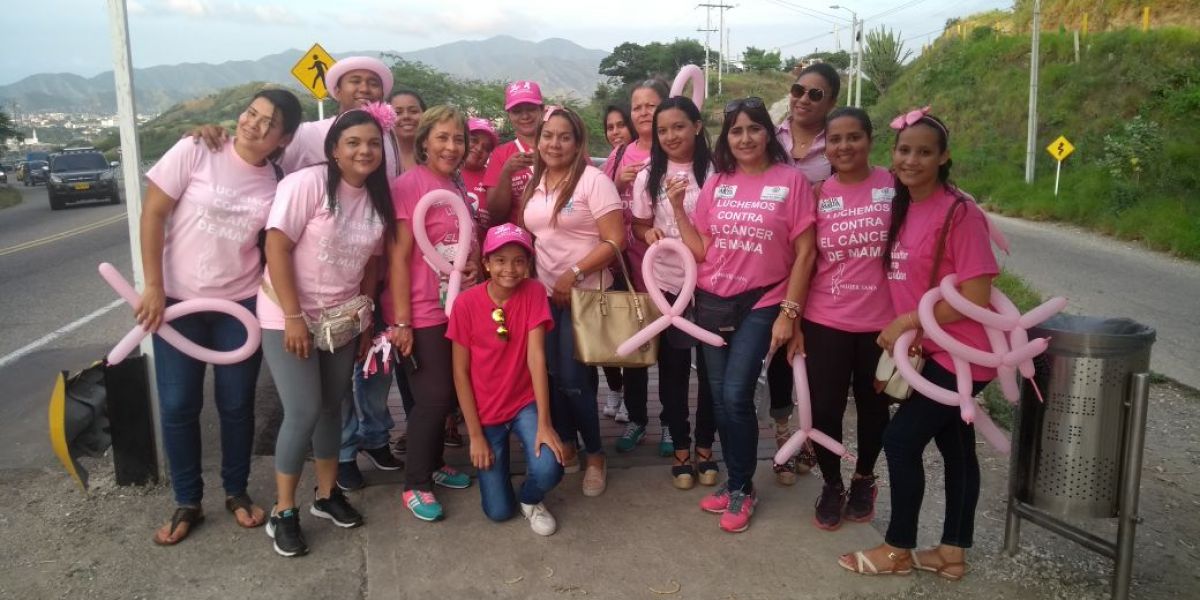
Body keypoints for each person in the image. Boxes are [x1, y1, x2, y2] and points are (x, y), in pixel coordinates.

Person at [138, 89, 302, 546]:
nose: (254, 124)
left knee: (236, 405)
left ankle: (236, 491)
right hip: (177, 304)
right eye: (252, 113)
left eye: (269, 122)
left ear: (283, 138)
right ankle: (188, 500)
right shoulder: (198, 149)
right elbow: (153, 214)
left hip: (239, 307)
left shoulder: (278, 182)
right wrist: (153, 286)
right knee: (177, 406)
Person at [838, 111, 998, 579]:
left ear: (943, 157)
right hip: (932, 350)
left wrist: (908, 320)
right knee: (957, 450)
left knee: (900, 440)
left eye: (924, 151)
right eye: (904, 150)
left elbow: (976, 296)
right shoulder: (904, 205)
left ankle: (898, 547)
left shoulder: (960, 213)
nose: (911, 159)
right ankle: (953, 552)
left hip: (963, 356)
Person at [258, 105, 395, 557]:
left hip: (342, 319)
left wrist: (367, 315)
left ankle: (325, 494)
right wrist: (295, 317)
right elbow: (276, 245)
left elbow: (373, 262)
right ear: (334, 149)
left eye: (373, 143)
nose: (364, 150)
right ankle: (283, 512)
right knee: (303, 410)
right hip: (289, 315)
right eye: (353, 142)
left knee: (334, 406)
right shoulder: (307, 184)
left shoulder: (378, 196)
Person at [679, 97, 817, 533]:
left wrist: (790, 313)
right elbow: (701, 248)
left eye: (753, 129)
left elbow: (806, 251)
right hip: (712, 300)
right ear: (727, 138)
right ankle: (739, 483)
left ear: (767, 133)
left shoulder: (791, 182)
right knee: (719, 399)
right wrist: (680, 211)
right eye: (736, 131)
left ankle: (741, 488)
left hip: (763, 300)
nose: (744, 138)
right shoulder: (718, 183)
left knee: (737, 395)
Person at [521, 106, 625, 497]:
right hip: (542, 293)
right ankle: (567, 441)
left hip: (583, 294)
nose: (554, 143)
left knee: (575, 380)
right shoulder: (537, 182)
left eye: (564, 136)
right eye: (548, 136)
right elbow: (538, 237)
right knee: (548, 373)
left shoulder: (593, 181)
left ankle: (595, 454)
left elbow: (615, 240)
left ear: (578, 142)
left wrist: (573, 273)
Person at [803, 107, 894, 531]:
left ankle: (864, 478)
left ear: (869, 140)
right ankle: (832, 483)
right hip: (825, 319)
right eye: (835, 140)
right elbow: (803, 258)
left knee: (875, 408)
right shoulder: (818, 193)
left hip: (882, 324)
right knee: (826, 409)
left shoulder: (894, 188)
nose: (844, 146)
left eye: (853, 137)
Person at [386, 105, 476, 522]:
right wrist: (401, 321)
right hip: (419, 311)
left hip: (452, 307)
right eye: (442, 137)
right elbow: (399, 256)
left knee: (447, 396)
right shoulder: (408, 185)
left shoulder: (453, 185)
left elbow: (457, 246)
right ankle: (415, 484)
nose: (451, 146)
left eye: (458, 139)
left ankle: (436, 464)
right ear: (424, 141)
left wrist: (472, 263)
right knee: (432, 396)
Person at [448, 223, 566, 536]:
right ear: (486, 263)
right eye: (500, 260)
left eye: (518, 260)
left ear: (528, 265)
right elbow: (459, 372)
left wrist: (544, 422)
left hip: (524, 403)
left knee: (550, 467)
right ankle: (499, 484)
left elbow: (536, 357)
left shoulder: (534, 292)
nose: (509, 269)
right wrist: (474, 435)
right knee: (498, 512)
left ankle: (531, 497)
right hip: (485, 413)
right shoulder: (465, 304)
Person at [336, 89, 426, 491]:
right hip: (344, 283)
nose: (407, 117)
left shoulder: (432, 159)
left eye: (414, 111)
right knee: (345, 372)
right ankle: (343, 451)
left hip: (394, 283)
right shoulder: (375, 154)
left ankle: (376, 437)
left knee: (379, 369)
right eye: (400, 110)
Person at [629, 95, 719, 489]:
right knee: (674, 371)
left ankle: (705, 446)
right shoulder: (649, 174)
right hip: (667, 286)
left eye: (678, 126)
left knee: (714, 373)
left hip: (715, 287)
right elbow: (638, 224)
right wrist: (646, 232)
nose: (670, 136)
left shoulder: (719, 171)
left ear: (697, 127)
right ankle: (681, 446)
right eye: (662, 129)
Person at [768, 62, 842, 485]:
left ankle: (811, 437)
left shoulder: (836, 142)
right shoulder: (771, 137)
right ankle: (783, 433)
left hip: (823, 266)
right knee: (779, 353)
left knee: (813, 357)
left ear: (830, 102)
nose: (803, 99)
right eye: (799, 90)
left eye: (816, 94)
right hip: (775, 265)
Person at [189, 57, 398, 179]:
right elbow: (259, 160)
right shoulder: (308, 133)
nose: (365, 88)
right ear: (337, 90)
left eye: (373, 83)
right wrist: (215, 138)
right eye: (355, 81)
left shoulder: (389, 138)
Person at [603, 80, 669, 456]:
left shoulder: (675, 150)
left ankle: (674, 426)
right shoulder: (619, 154)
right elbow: (602, 202)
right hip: (627, 268)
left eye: (651, 105)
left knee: (674, 355)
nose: (643, 112)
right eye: (638, 106)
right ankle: (639, 418)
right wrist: (615, 181)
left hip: (671, 269)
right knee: (634, 352)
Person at [598, 104, 637, 424]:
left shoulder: (643, 155)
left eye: (621, 124)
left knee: (631, 332)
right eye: (610, 127)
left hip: (639, 260)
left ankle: (633, 400)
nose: (615, 132)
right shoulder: (613, 159)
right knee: (607, 331)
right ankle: (616, 388)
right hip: (612, 259)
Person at [484, 80, 543, 224]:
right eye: (517, 111)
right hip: (519, 239)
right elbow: (496, 215)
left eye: (531, 109)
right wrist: (506, 173)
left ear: (542, 109)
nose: (525, 116)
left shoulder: (561, 145)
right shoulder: (500, 154)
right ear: (509, 115)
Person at [462, 117, 499, 231]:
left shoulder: (494, 178)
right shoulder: (445, 172)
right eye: (474, 140)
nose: (479, 148)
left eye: (486, 147)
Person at [389, 88, 425, 174]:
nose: (406, 116)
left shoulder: (437, 155)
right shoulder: (380, 156)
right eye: (397, 112)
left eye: (413, 111)